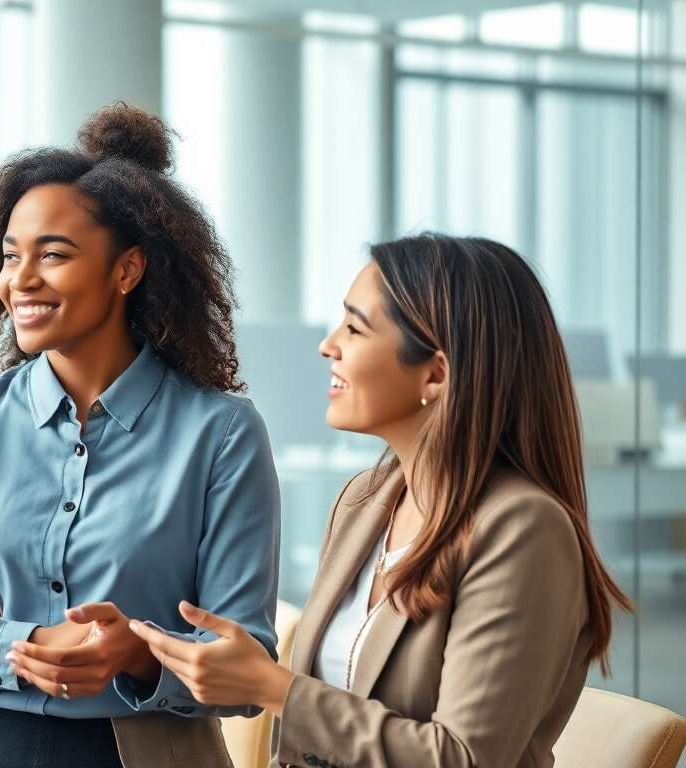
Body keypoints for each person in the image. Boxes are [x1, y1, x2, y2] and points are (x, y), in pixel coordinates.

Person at [0, 103, 281, 768]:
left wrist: (139, 657)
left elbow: (248, 664)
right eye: (9, 256)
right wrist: (23, 643)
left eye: (53, 255)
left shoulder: (221, 434)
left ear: (127, 270)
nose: (19, 281)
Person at [129, 233, 633, 768]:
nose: (329, 345)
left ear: (436, 373)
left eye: (355, 327)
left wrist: (276, 689)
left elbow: (464, 758)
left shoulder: (523, 528)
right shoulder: (362, 503)